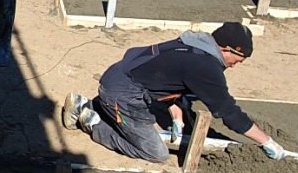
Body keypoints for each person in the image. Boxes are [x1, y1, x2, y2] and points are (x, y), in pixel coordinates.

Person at [64, 21, 286, 164]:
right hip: (123, 94)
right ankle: (92, 122)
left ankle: (85, 104)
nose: (235, 66)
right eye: (237, 60)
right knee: (156, 153)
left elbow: (164, 76)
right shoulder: (205, 67)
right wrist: (267, 142)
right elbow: (228, 112)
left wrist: (177, 117)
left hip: (119, 75)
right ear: (226, 49)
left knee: (146, 112)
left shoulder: (191, 44)